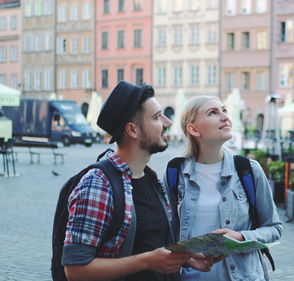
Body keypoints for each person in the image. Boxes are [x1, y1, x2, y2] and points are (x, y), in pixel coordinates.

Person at [62, 81, 214, 281]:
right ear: (132, 130)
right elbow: (75, 270)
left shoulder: (151, 179)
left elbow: (150, 244)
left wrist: (185, 257)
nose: (167, 122)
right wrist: (147, 261)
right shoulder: (99, 183)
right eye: (157, 116)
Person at [163, 96, 283, 281]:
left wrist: (241, 237)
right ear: (193, 129)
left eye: (224, 110)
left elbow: (274, 228)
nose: (225, 117)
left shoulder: (248, 170)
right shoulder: (175, 173)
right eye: (213, 112)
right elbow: (166, 235)